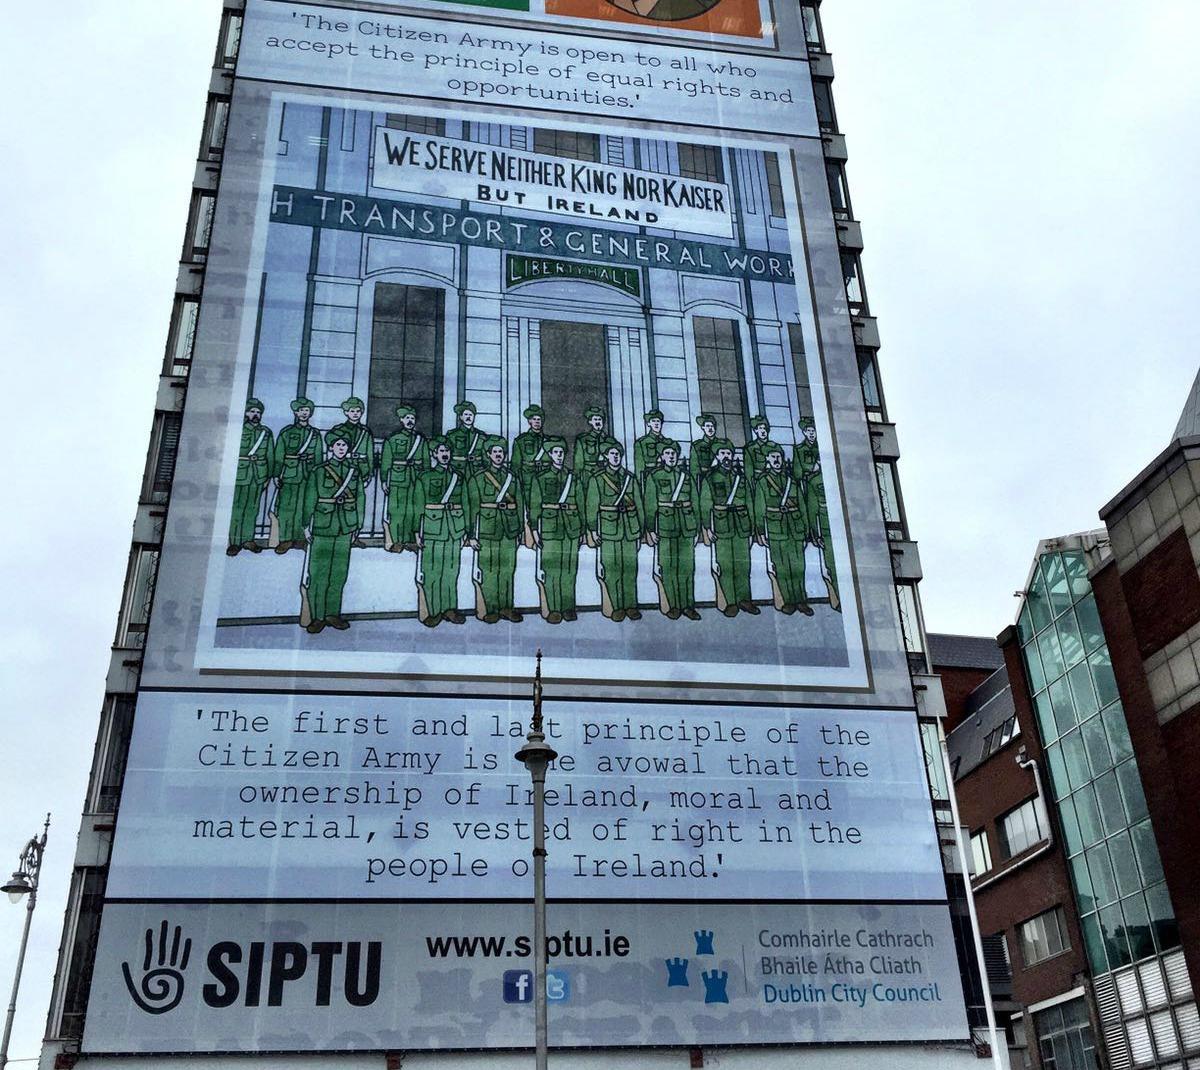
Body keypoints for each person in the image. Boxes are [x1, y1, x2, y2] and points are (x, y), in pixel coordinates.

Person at [299, 430, 361, 634]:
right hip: (323, 526)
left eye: (345, 446)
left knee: (339, 574)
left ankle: (333, 614)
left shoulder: (353, 472)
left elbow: (360, 499)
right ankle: (317, 617)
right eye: (338, 445)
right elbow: (309, 498)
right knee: (319, 573)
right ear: (331, 448)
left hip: (345, 526)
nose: (342, 449)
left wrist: (356, 526)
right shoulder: (319, 471)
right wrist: (305, 524)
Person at [466, 436, 524, 623]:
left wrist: (520, 530)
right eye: (495, 452)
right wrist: (471, 535)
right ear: (488, 454)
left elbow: (520, 504)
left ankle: (506, 608)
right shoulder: (478, 478)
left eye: (501, 452)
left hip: (509, 529)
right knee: (489, 570)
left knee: (507, 569)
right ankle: (490, 609)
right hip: (487, 529)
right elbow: (472, 508)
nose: (499, 455)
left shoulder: (511, 478)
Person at [585, 439, 645, 622]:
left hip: (629, 529)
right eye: (612, 454)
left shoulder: (629, 478)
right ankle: (617, 607)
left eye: (618, 454)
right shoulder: (597, 479)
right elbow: (591, 507)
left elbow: (639, 505)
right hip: (609, 530)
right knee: (612, 569)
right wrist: (593, 530)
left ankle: (631, 606)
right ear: (605, 456)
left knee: (630, 569)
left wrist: (641, 531)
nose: (615, 457)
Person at [528, 437, 584, 624]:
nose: (559, 455)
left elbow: (581, 503)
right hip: (550, 527)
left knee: (570, 569)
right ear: (550, 455)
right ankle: (553, 609)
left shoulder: (572, 477)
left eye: (561, 452)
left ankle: (568, 607)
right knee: (552, 569)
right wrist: (534, 529)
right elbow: (534, 505)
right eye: (556, 452)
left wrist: (583, 529)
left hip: (571, 526)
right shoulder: (540, 477)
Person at [699, 441, 757, 617]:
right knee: (725, 565)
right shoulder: (710, 478)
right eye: (722, 453)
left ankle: (744, 599)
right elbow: (705, 504)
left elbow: (749, 503)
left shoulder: (740, 477)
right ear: (717, 457)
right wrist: (707, 528)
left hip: (741, 525)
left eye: (729, 453)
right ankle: (730, 602)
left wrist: (753, 527)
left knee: (743, 564)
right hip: (721, 526)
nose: (726, 456)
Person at [752, 444, 812, 615]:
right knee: (781, 566)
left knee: (799, 566)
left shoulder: (791, 481)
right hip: (776, 529)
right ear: (767, 460)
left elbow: (802, 506)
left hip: (795, 528)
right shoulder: (763, 482)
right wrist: (760, 531)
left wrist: (806, 529)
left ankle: (801, 600)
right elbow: (759, 508)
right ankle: (788, 601)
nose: (776, 460)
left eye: (778, 456)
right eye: (773, 457)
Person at [644, 439, 700, 620]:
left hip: (686, 526)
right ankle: (673, 605)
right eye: (667, 453)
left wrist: (698, 527)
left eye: (673, 453)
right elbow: (650, 505)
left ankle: (688, 606)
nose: (671, 456)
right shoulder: (654, 476)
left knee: (687, 567)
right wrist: (650, 529)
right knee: (669, 567)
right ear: (661, 457)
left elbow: (696, 502)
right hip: (666, 526)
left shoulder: (686, 476)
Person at [414, 438, 467, 628]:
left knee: (451, 571)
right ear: (434, 454)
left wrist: (465, 530)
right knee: (432, 571)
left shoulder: (458, 477)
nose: (445, 454)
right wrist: (416, 531)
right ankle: (433, 611)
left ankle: (449, 609)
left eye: (447, 451)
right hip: (433, 529)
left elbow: (466, 503)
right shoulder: (425, 477)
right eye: (441, 451)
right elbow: (417, 506)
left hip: (454, 528)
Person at [793, 419, 840, 612]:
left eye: (813, 430)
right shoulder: (799, 449)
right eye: (809, 431)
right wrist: (812, 469)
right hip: (810, 491)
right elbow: (797, 473)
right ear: (804, 432)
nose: (811, 433)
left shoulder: (824, 448)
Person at [271, 397, 324, 553]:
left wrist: (318, 478)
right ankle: (285, 539)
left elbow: (318, 457)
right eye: (301, 410)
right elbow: (279, 455)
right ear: (295, 412)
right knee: (286, 508)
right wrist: (276, 474)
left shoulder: (315, 434)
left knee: (304, 507)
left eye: (307, 410)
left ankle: (301, 539)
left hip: (308, 476)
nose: (304, 413)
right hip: (290, 474)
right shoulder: (287, 432)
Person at [327, 397, 375, 548]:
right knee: (341, 503)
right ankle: (339, 533)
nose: (355, 414)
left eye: (358, 411)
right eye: (352, 411)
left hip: (359, 472)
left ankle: (355, 535)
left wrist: (369, 473)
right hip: (342, 470)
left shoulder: (365, 432)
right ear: (346, 413)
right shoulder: (338, 430)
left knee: (358, 505)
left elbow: (369, 453)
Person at [380, 404, 429, 552]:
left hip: (416, 479)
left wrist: (426, 480)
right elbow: (386, 461)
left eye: (412, 418)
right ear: (401, 420)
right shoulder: (393, 439)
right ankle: (397, 541)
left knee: (414, 510)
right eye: (407, 418)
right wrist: (384, 480)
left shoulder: (420, 440)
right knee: (397, 511)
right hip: (398, 479)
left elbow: (426, 461)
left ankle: (411, 541)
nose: (410, 421)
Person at [228, 398, 273, 556]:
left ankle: (248, 540)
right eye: (252, 411)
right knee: (237, 509)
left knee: (252, 509)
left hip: (258, 475)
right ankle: (235, 542)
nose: (255, 415)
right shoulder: (238, 430)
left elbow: (270, 455)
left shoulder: (266, 432)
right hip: (240, 474)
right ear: (246, 413)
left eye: (258, 412)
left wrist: (269, 476)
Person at [512, 403, 549, 492]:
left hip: (544, 478)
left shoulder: (548, 441)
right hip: (527, 478)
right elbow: (515, 464)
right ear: (529, 421)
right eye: (534, 419)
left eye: (539, 419)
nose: (537, 422)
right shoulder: (521, 440)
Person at [446, 400, 486, 478]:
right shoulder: (452, 434)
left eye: (471, 415)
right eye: (466, 414)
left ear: (474, 417)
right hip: (458, 470)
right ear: (461, 417)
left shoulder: (481, 435)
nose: (468, 417)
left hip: (476, 470)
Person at [744, 416, 783, 486]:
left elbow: (782, 467)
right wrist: (752, 486)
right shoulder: (751, 448)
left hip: (775, 481)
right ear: (755, 430)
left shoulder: (776, 447)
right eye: (760, 428)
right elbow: (749, 471)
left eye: (764, 428)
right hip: (759, 482)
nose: (763, 431)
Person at [573, 405, 608, 479]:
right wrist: (578, 478)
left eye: (600, 419)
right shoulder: (582, 439)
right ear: (590, 422)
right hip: (588, 474)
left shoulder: (607, 440)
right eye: (595, 419)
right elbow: (578, 463)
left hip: (604, 475)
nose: (598, 422)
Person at [633, 408, 667, 484]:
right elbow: (639, 467)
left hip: (665, 479)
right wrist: (641, 482)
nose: (656, 423)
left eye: (658, 421)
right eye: (653, 421)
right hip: (649, 478)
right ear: (648, 424)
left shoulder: (666, 442)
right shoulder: (641, 442)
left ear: (661, 423)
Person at [690, 412, 720, 488]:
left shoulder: (720, 445)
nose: (710, 428)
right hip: (703, 479)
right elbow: (694, 467)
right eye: (707, 426)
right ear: (703, 428)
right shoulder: (697, 445)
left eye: (712, 426)